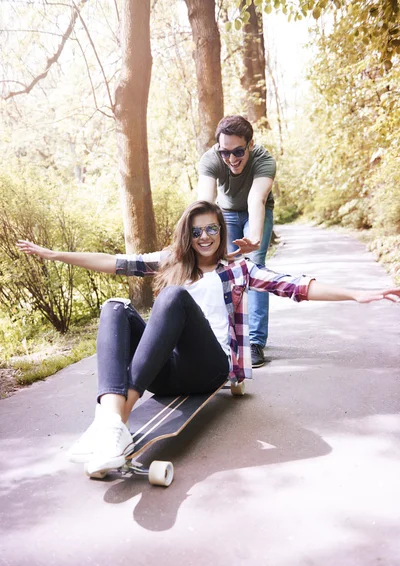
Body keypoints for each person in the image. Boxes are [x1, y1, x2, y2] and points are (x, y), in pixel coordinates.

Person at [17, 201, 400, 476]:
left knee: (172, 296)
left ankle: (113, 423)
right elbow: (114, 261)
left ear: (221, 232)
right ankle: (111, 424)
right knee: (114, 306)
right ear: (189, 234)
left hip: (210, 367)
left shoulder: (238, 270)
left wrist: (355, 293)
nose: (204, 237)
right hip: (166, 372)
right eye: (197, 230)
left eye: (212, 229)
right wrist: (54, 255)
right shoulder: (169, 262)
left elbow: (294, 286)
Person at [198, 115, 276, 368]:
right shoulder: (211, 160)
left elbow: (257, 199)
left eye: (238, 151)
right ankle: (225, 338)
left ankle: (254, 342)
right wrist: (197, 234)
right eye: (225, 152)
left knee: (256, 267)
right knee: (227, 271)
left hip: (258, 212)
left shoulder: (264, 160)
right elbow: (205, 202)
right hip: (227, 213)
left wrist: (254, 238)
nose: (231, 159)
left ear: (250, 145)